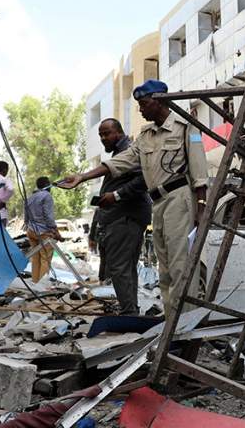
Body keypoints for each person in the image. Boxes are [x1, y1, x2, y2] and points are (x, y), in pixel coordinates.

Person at [59, 80, 208, 316]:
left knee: (181, 267)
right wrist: (83, 177)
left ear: (159, 101)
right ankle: (172, 323)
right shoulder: (146, 135)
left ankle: (185, 323)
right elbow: (122, 161)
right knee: (166, 270)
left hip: (179, 198)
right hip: (158, 203)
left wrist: (201, 208)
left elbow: (200, 171)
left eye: (144, 104)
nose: (140, 109)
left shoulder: (185, 127)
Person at [88, 118, 152, 315]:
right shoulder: (120, 152)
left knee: (118, 267)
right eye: (100, 135)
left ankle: (129, 311)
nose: (103, 138)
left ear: (119, 132)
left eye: (107, 133)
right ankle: (130, 309)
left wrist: (116, 196)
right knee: (125, 267)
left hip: (125, 217)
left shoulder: (128, 152)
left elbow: (144, 179)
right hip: (122, 217)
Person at [24, 176, 63, 282]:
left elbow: (26, 217)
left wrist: (27, 225)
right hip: (43, 232)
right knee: (45, 259)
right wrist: (56, 232)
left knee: (35, 259)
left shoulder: (30, 197)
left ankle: (35, 283)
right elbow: (48, 217)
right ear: (47, 185)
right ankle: (41, 285)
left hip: (31, 231)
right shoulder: (47, 196)